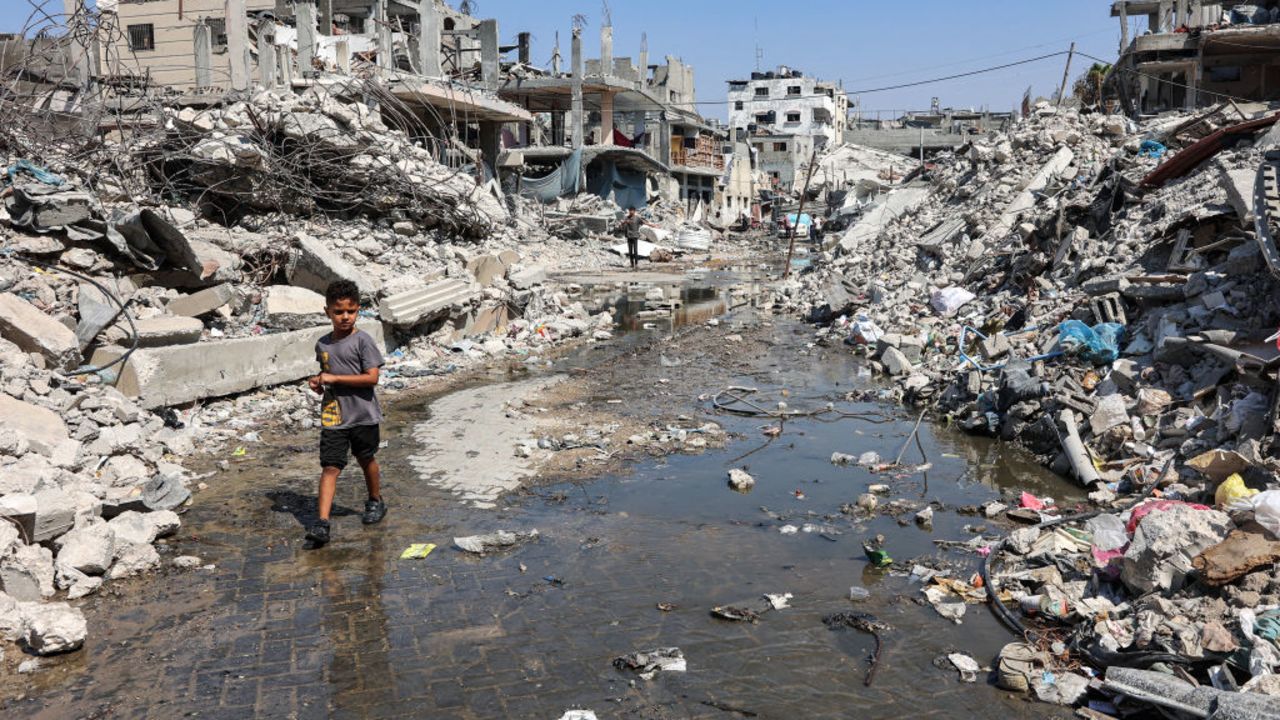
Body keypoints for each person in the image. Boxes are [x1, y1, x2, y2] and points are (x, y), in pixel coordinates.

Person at [305, 280, 387, 545]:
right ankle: (322, 524)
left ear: (358, 311)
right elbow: (327, 376)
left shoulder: (363, 341)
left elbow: (372, 378)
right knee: (330, 467)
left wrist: (336, 379)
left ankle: (375, 501)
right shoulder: (323, 345)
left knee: (366, 459)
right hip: (334, 415)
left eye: (350, 311)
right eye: (338, 311)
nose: (344, 317)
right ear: (327, 311)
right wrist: (319, 383)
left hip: (363, 415)